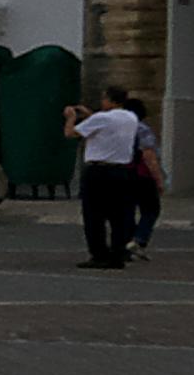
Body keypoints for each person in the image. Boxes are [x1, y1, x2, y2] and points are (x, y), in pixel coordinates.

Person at [68, 86, 146, 268]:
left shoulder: (101, 118)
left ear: (110, 100)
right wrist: (90, 116)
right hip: (122, 170)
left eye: (104, 98)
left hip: (99, 170)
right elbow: (106, 126)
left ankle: (99, 254)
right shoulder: (130, 117)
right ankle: (118, 253)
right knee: (119, 215)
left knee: (94, 215)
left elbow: (71, 133)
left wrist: (71, 118)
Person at [127, 93, 163, 258]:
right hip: (142, 174)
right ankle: (139, 239)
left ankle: (126, 240)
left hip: (123, 173)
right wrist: (159, 178)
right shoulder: (142, 129)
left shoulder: (119, 128)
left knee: (127, 209)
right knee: (151, 209)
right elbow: (149, 154)